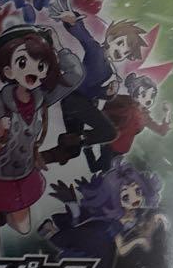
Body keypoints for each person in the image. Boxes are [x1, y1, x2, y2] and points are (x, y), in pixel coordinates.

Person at [0, 26, 82, 258]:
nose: (33, 71)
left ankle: (0, 211)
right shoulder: (1, 102)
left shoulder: (42, 98)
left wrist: (59, 47)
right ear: (9, 71)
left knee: (23, 228)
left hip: (21, 173)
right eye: (23, 63)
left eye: (41, 65)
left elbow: (74, 76)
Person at [39, 160, 167, 268]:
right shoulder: (114, 221)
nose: (134, 199)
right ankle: (50, 232)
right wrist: (139, 240)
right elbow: (121, 249)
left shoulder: (136, 214)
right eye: (126, 197)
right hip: (95, 239)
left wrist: (156, 219)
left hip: (102, 248)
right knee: (73, 247)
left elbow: (143, 226)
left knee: (83, 265)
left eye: (138, 191)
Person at [44, 11, 148, 168]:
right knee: (109, 132)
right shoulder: (96, 51)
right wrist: (73, 23)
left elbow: (93, 91)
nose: (121, 51)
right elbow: (86, 38)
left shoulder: (109, 71)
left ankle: (37, 160)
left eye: (126, 52)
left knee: (72, 150)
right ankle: (71, 139)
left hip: (78, 103)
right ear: (110, 38)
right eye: (120, 43)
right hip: (74, 100)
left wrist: (107, 93)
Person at [95, 72, 172, 170]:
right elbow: (106, 107)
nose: (148, 100)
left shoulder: (145, 116)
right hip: (110, 143)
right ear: (135, 93)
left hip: (122, 149)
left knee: (99, 168)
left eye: (151, 96)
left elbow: (161, 131)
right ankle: (87, 149)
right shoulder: (124, 101)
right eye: (144, 95)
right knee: (106, 169)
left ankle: (87, 151)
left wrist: (167, 113)